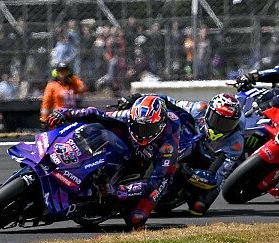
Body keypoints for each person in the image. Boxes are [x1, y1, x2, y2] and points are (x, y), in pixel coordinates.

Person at [47, 94, 184, 230]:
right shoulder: (127, 116)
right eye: (137, 127)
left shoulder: (168, 145)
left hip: (158, 171)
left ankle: (115, 203)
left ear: (160, 126)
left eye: (148, 129)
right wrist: (64, 113)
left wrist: (120, 191)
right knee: (98, 127)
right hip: (134, 148)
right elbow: (95, 113)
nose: (142, 133)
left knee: (136, 219)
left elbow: (153, 183)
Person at [120, 92, 245, 215]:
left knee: (199, 206)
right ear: (209, 111)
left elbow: (217, 178)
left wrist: (187, 172)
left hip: (203, 165)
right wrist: (138, 97)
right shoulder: (198, 109)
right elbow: (168, 101)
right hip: (183, 142)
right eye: (217, 120)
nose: (220, 126)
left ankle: (179, 191)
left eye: (228, 123)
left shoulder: (235, 143)